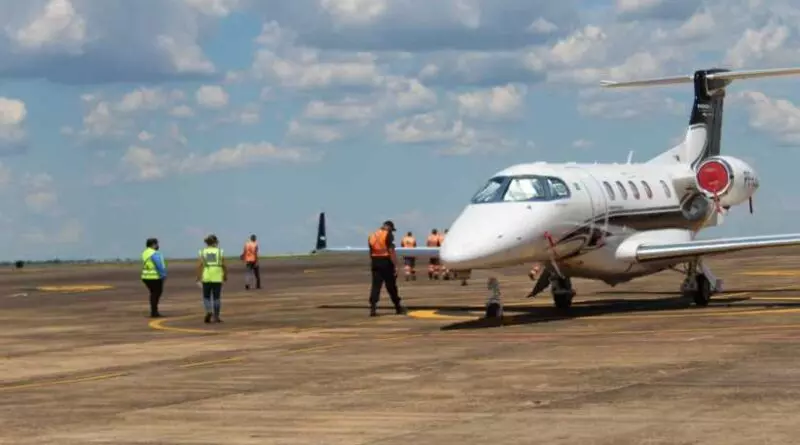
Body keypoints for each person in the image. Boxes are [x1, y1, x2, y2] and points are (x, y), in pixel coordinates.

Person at [367, 220, 407, 317]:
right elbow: (391, 250)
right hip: (386, 262)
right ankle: (398, 307)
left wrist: (373, 262)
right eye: (391, 230)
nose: (391, 232)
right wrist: (396, 265)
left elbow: (371, 251)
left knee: (376, 286)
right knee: (391, 286)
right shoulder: (387, 235)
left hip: (375, 262)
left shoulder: (372, 235)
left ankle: (373, 308)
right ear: (389, 227)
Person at [196, 234, 227, 323]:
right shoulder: (219, 252)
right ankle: (216, 316)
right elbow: (224, 265)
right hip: (217, 276)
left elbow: (199, 265)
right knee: (217, 297)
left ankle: (209, 310)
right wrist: (225, 275)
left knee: (206, 297)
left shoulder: (202, 252)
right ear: (215, 242)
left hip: (207, 276)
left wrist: (198, 277)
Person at [141, 237, 167, 318]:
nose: (158, 245)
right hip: (154, 277)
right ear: (153, 244)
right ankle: (154, 312)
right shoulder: (155, 253)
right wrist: (163, 275)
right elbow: (159, 265)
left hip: (145, 276)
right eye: (156, 244)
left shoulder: (145, 253)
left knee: (153, 293)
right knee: (156, 293)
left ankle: (154, 311)